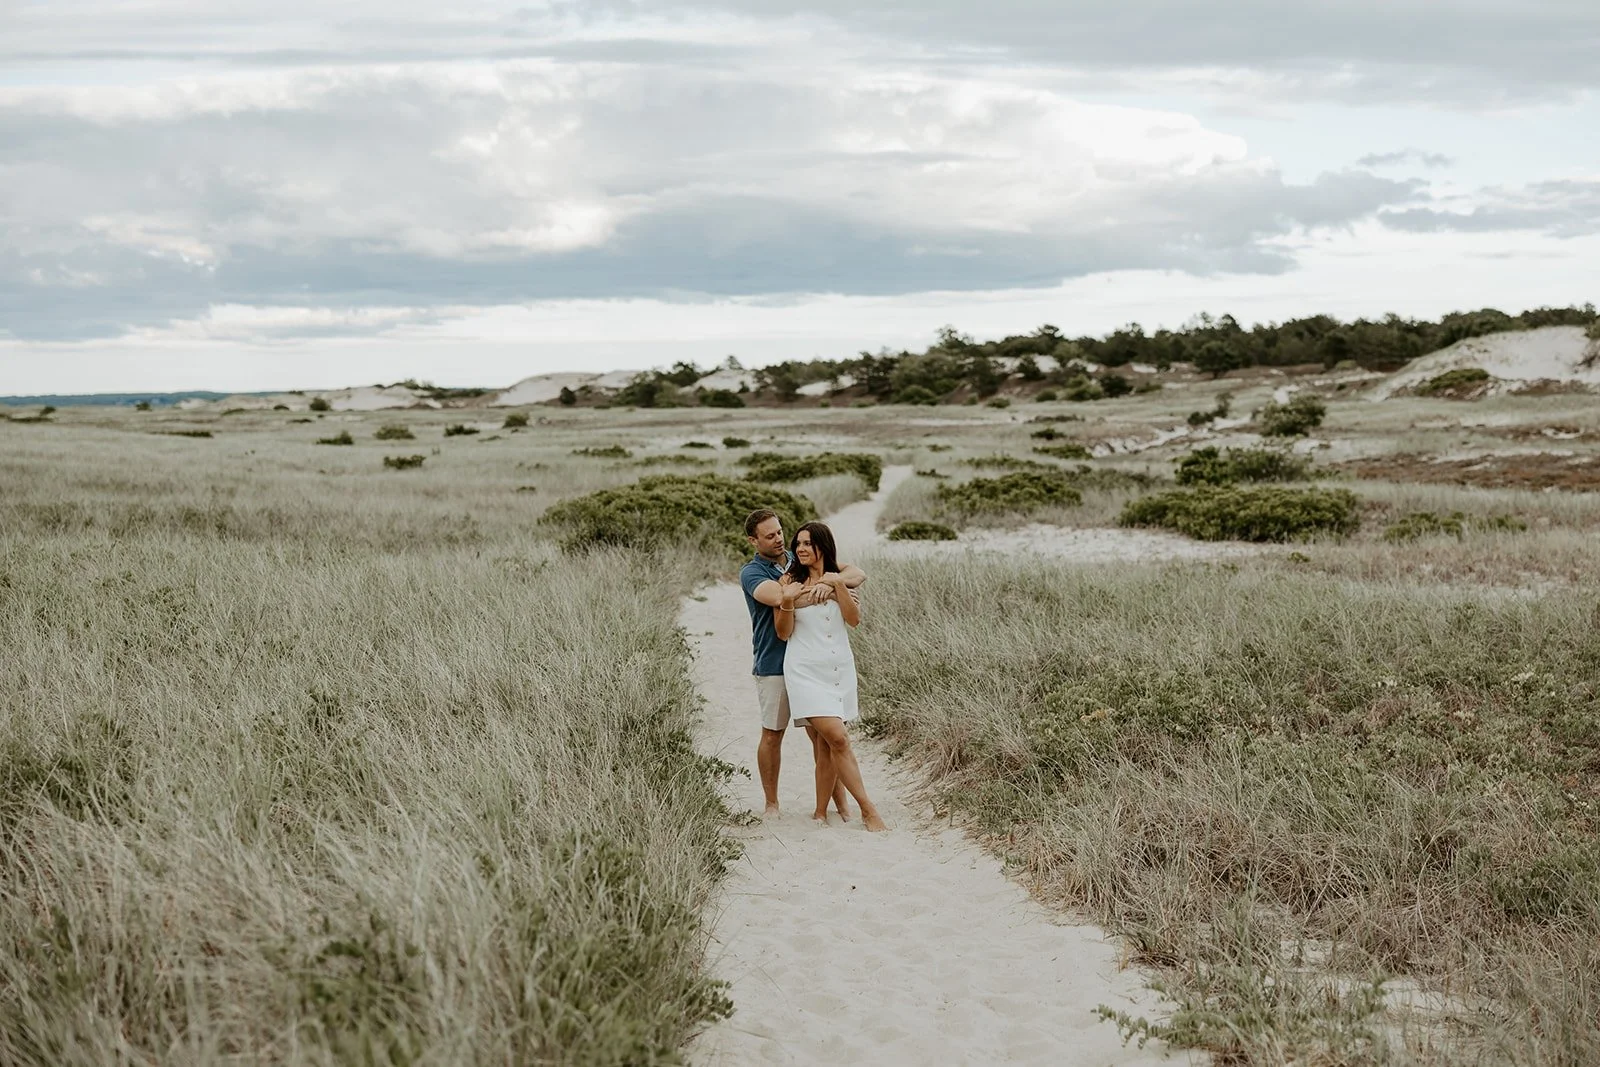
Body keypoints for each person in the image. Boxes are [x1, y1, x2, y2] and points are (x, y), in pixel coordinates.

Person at [740, 508, 864, 821]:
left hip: (812, 663)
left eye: (780, 532)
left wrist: (832, 583)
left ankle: (837, 806)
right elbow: (779, 597)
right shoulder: (751, 573)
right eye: (769, 536)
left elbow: (857, 574)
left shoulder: (799, 559)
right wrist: (829, 591)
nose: (779, 540)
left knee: (825, 739)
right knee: (772, 733)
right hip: (773, 661)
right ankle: (772, 804)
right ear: (754, 541)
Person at [774, 521, 887, 832]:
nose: (800, 549)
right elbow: (783, 633)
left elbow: (854, 621)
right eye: (798, 544)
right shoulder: (788, 582)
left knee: (826, 746)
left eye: (808, 543)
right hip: (804, 671)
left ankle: (821, 812)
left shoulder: (840, 578)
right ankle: (869, 810)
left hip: (838, 669)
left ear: (823, 545)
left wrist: (835, 586)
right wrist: (787, 601)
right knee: (838, 738)